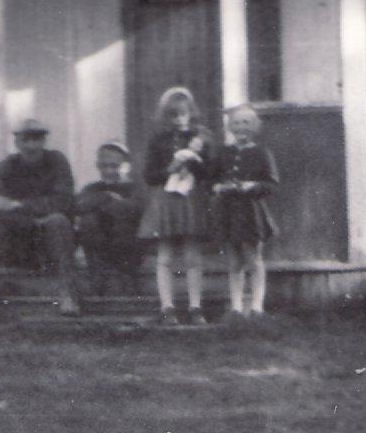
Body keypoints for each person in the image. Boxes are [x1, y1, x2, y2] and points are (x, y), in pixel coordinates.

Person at [0, 118, 77, 322]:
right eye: (25, 140)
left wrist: (18, 205)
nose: (31, 146)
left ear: (44, 141)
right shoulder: (8, 166)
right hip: (18, 241)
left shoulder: (56, 162)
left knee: (58, 221)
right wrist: (28, 212)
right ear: (17, 143)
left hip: (48, 243)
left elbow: (63, 201)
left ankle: (68, 295)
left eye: (36, 139)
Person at [137, 86, 213, 326]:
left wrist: (195, 159)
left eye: (183, 113)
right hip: (166, 199)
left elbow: (210, 173)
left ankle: (195, 307)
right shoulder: (158, 141)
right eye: (173, 114)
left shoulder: (201, 138)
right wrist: (171, 166)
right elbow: (149, 176)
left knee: (192, 254)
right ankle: (167, 306)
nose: (179, 118)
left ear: (191, 112)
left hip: (191, 198)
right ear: (166, 116)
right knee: (165, 255)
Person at [211, 103, 279, 317]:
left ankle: (257, 305)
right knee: (234, 260)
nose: (241, 127)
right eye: (237, 123)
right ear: (230, 126)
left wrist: (254, 186)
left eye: (246, 123)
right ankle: (236, 306)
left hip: (251, 211)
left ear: (255, 127)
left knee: (253, 258)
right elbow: (211, 180)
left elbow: (272, 184)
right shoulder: (223, 152)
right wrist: (218, 186)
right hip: (228, 210)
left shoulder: (261, 153)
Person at [74, 140, 145, 296]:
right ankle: (97, 274)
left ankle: (126, 277)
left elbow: (136, 208)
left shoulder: (135, 188)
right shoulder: (93, 188)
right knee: (88, 221)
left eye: (114, 166)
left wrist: (108, 204)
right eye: (104, 166)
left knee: (122, 219)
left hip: (128, 247)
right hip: (100, 246)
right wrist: (106, 197)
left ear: (127, 166)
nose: (109, 171)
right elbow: (78, 207)